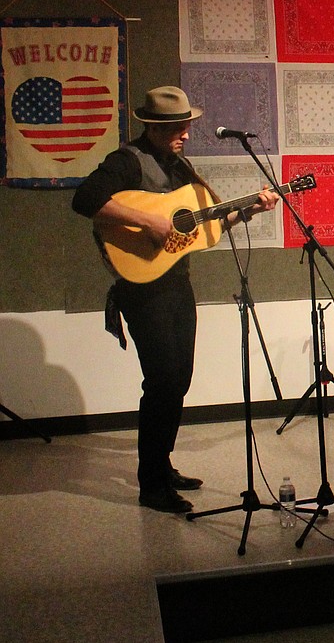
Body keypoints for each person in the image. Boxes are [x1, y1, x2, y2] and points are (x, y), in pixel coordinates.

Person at [72, 86, 279, 513]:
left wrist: (250, 210)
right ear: (152, 125)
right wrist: (147, 220)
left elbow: (203, 227)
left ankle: (161, 463)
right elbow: (86, 199)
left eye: (185, 125)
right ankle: (151, 484)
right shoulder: (127, 161)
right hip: (141, 289)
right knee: (162, 380)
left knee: (179, 379)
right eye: (174, 127)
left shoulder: (181, 169)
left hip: (176, 284)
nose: (183, 133)